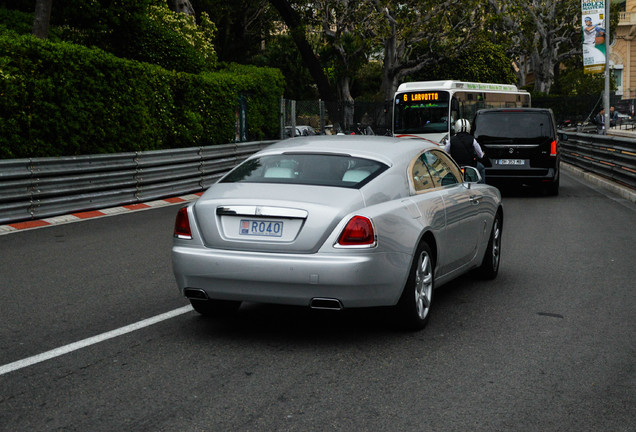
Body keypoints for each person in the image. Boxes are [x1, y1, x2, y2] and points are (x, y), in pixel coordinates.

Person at [444, 119, 486, 183]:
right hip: (470, 166)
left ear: (456, 127)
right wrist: (482, 154)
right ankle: (482, 187)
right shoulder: (472, 139)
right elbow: (480, 155)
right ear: (468, 128)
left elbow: (445, 153)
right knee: (482, 168)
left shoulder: (451, 140)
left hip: (456, 166)